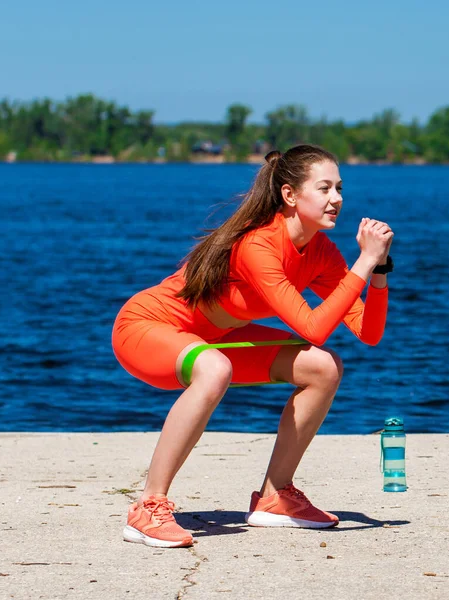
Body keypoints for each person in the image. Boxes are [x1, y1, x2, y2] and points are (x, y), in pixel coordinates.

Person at [112, 144, 393, 548]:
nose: (337, 199)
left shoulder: (322, 253)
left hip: (215, 338)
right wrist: (363, 264)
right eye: (325, 188)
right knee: (215, 368)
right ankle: (148, 507)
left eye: (340, 188)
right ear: (290, 195)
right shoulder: (259, 245)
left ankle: (276, 496)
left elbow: (368, 331)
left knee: (323, 368)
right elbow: (313, 327)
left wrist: (378, 270)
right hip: (147, 326)